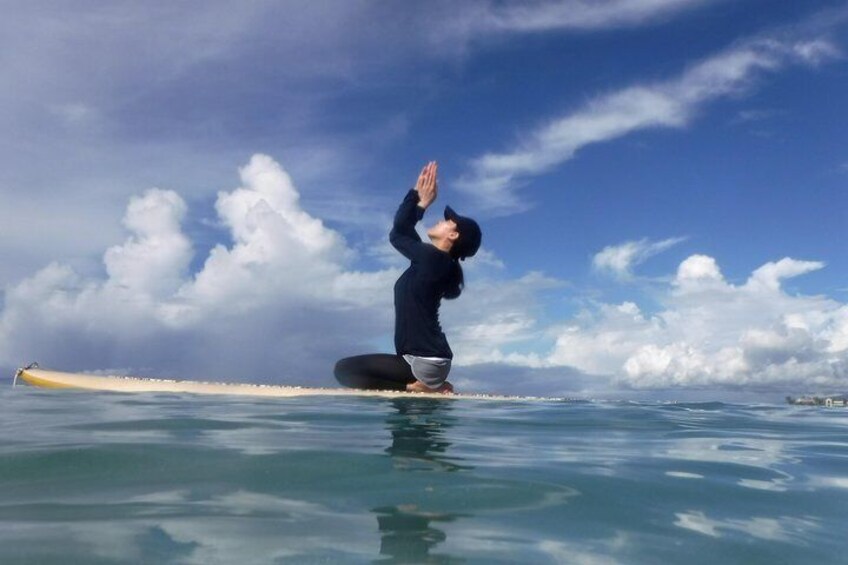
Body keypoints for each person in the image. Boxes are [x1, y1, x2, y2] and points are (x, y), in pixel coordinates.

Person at [334, 161, 482, 394]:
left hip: (422, 361)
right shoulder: (434, 262)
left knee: (344, 370)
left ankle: (419, 387)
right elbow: (403, 233)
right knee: (349, 371)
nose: (440, 221)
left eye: (447, 221)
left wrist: (419, 200)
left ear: (453, 234)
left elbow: (399, 233)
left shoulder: (433, 259)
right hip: (427, 359)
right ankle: (430, 384)